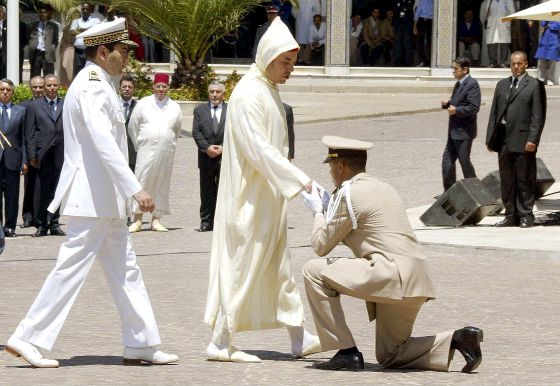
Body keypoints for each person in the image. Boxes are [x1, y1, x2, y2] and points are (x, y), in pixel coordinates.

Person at [4, 18, 178, 368]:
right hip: (94, 196)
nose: (127, 56)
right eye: (123, 51)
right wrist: (135, 186)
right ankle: (28, 337)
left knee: (127, 270)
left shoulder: (97, 83)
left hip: (104, 200)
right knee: (70, 269)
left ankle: (141, 342)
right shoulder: (94, 86)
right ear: (103, 51)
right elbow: (103, 143)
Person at [300, 135, 484, 372]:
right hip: (416, 278)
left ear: (340, 166)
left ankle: (345, 351)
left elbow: (321, 245)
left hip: (388, 274)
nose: (332, 173)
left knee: (313, 270)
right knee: (391, 354)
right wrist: (329, 207)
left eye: (331, 168)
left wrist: (318, 211)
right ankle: (457, 339)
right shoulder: (385, 187)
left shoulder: (347, 193)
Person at [204, 17, 321, 363]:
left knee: (278, 269)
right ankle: (221, 341)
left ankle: (299, 336)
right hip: (248, 201)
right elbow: (258, 148)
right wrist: (299, 181)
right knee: (244, 265)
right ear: (268, 56)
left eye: (293, 63)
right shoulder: (248, 94)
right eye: (286, 62)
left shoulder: (268, 90)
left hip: (269, 199)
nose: (290, 70)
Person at [486, 51, 546, 228]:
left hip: (524, 139)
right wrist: (490, 138)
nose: (516, 67)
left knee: (525, 179)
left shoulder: (534, 85)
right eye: (513, 64)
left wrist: (533, 139)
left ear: (526, 64)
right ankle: (511, 215)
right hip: (504, 140)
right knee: (507, 180)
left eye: (519, 63)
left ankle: (526, 215)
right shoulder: (502, 85)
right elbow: (494, 114)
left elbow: (538, 116)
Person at [128, 73, 182, 233]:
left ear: (168, 88)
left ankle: (156, 220)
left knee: (161, 183)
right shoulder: (143, 104)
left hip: (166, 152)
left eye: (164, 87)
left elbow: (177, 129)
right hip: (146, 150)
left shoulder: (174, 107)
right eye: (158, 86)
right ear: (153, 87)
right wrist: (140, 144)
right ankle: (137, 220)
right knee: (142, 181)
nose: (161, 89)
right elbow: (133, 126)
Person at [24, 75, 66, 237]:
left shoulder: (65, 104)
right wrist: (31, 155)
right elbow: (30, 133)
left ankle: (54, 223)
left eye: (55, 85)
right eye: (49, 85)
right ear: (45, 86)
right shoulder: (34, 106)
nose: (52, 88)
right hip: (41, 155)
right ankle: (41, 224)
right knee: (41, 191)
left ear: (59, 87)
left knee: (57, 190)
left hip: (60, 154)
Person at [439, 57, 480, 193]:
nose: (453, 72)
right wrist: (449, 103)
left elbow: (474, 107)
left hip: (464, 132)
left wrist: (456, 110)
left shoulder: (472, 84)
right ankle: (450, 192)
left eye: (456, 69)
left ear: (465, 69)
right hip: (453, 131)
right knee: (447, 162)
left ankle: (476, 190)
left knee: (464, 162)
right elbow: (459, 101)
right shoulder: (458, 84)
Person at [192, 81, 227, 233]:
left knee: (224, 190)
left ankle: (223, 222)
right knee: (206, 191)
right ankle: (206, 222)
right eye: (212, 91)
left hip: (225, 157)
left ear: (223, 94)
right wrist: (206, 148)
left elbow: (236, 131)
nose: (214, 95)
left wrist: (225, 148)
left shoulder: (231, 110)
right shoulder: (200, 111)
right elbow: (196, 132)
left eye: (217, 92)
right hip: (206, 157)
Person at [0, 78, 27, 238]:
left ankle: (10, 227)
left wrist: (24, 160)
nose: (5, 92)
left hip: (13, 159)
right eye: (2, 89)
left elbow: (24, 138)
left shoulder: (21, 111)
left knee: (12, 195)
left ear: (12, 92)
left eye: (8, 90)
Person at [19, 76, 45, 229]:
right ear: (30, 88)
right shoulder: (23, 107)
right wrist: (24, 158)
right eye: (35, 87)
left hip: (45, 152)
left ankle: (41, 216)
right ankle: (28, 217)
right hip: (29, 153)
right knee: (29, 186)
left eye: (40, 87)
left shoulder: (50, 105)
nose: (38, 90)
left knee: (44, 187)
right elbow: (21, 135)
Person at [480, 0, 515, 68]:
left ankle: (503, 62)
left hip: (504, 24)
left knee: (504, 44)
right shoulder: (489, 1)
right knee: (492, 43)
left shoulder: (508, 1)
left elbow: (512, 12)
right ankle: (493, 63)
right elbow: (484, 14)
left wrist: (507, 21)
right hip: (492, 24)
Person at [70, 2, 101, 78]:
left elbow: (94, 31)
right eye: (83, 9)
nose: (85, 11)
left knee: (89, 69)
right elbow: (72, 32)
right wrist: (87, 30)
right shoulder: (76, 21)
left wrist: (79, 30)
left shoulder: (96, 20)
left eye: (87, 9)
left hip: (90, 49)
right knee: (77, 70)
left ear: (90, 10)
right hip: (78, 51)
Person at [27, 4, 59, 77]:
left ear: (47, 14)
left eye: (44, 12)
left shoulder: (53, 26)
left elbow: (55, 41)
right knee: (35, 75)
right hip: (36, 53)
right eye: (40, 12)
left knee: (49, 76)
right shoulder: (32, 25)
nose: (42, 14)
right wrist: (32, 45)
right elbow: (27, 38)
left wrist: (51, 48)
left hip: (47, 54)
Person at [292, 0, 322, 64]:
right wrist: (298, 17)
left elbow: (318, 11)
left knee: (309, 41)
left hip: (311, 23)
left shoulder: (316, 1)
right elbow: (293, 11)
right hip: (300, 23)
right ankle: (303, 58)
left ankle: (305, 59)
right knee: (300, 41)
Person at [119, 74, 137, 172]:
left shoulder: (138, 107)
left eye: (130, 87)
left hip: (132, 155)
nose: (127, 89)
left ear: (133, 89)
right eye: (124, 87)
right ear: (119, 88)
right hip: (117, 152)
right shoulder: (113, 106)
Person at [535, 21, 560, 86]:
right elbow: (542, 24)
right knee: (542, 59)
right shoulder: (547, 14)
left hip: (555, 38)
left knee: (553, 60)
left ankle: (550, 79)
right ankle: (541, 79)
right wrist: (547, 22)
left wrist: (551, 25)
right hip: (545, 38)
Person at [394, 0, 415, 66]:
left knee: (407, 43)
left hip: (407, 24)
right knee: (398, 43)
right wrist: (404, 9)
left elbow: (410, 8)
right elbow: (395, 8)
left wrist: (401, 8)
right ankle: (398, 61)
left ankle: (408, 62)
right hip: (398, 24)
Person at [413, 0, 433, 67]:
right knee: (419, 42)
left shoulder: (435, 2)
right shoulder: (422, 1)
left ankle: (431, 61)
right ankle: (422, 61)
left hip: (431, 22)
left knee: (430, 42)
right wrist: (415, 26)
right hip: (422, 21)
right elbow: (417, 13)